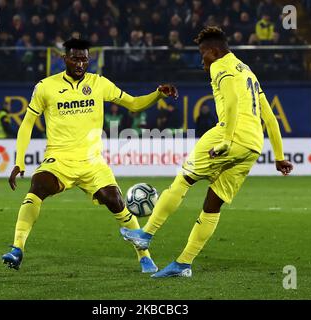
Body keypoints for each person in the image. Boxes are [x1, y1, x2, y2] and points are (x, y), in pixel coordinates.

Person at [121, 27, 293, 278]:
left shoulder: (220, 66)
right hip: (253, 145)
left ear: (213, 51)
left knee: (184, 179)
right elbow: (270, 117)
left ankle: (146, 234)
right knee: (213, 204)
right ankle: (183, 264)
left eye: (203, 55)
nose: (202, 62)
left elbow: (232, 101)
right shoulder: (248, 72)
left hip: (228, 135)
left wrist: (225, 140)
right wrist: (278, 156)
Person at [2, 38, 178, 273]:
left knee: (116, 201)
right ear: (64, 58)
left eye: (84, 58)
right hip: (59, 160)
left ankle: (144, 257)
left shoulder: (99, 83)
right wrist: (19, 161)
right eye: (75, 58)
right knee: (38, 186)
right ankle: (17, 248)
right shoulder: (45, 87)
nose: (80, 63)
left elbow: (134, 104)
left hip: (93, 162)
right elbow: (27, 124)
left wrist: (158, 94)